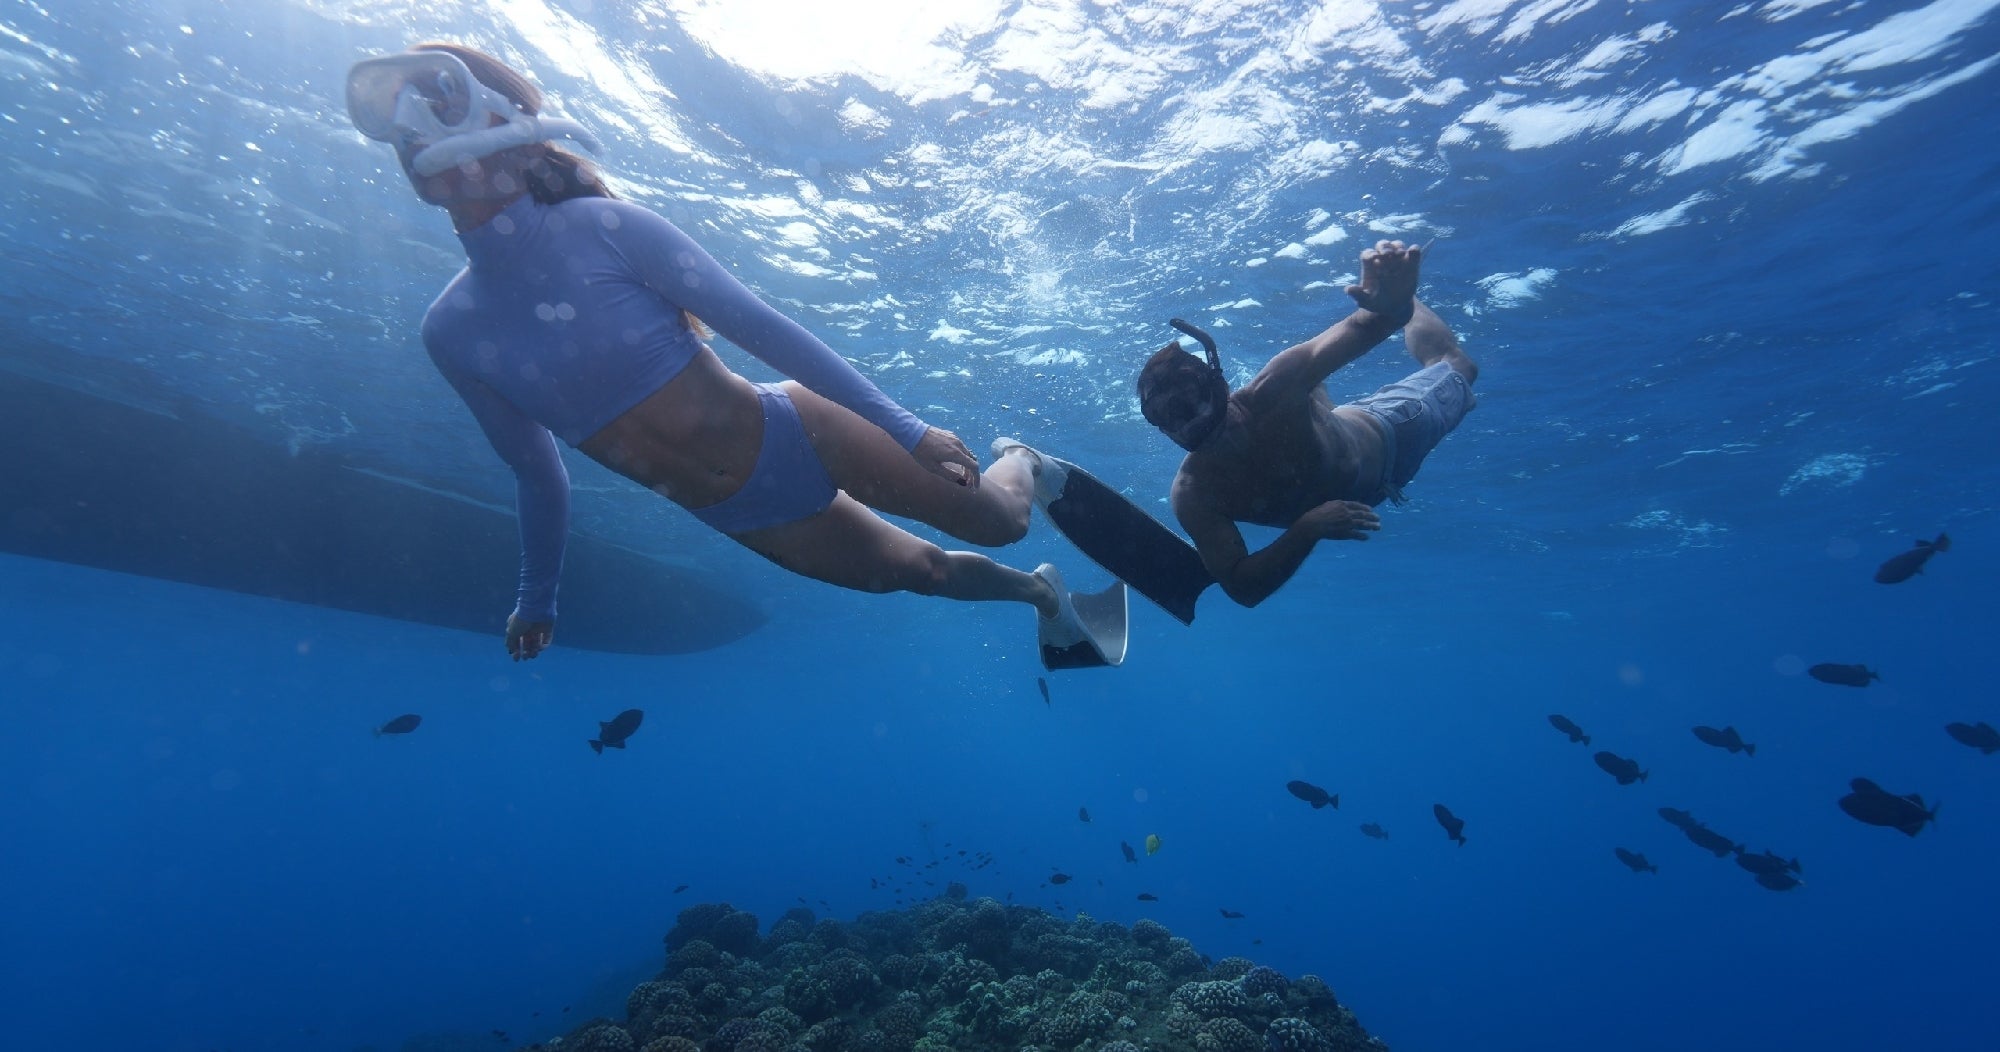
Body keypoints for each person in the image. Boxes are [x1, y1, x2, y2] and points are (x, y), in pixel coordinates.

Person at [344, 43, 1124, 666]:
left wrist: (907, 427)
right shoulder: (451, 332)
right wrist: (537, 597)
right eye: (395, 119)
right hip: (748, 514)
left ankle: (1021, 459)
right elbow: (535, 472)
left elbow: (763, 328)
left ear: (508, 118)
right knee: (923, 575)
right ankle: (1045, 600)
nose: (415, 128)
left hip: (800, 427)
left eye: (438, 97)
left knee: (996, 521)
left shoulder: (606, 229)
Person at [1135, 240, 1476, 607]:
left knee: (1458, 366)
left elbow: (1369, 325)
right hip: (1347, 459)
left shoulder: (1275, 387)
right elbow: (1241, 587)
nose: (1195, 426)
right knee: (1308, 390)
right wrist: (1307, 529)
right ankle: (1317, 395)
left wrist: (1393, 302)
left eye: (1196, 403)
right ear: (1164, 432)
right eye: (1169, 419)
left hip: (1391, 433)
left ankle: (1413, 298)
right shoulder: (1194, 494)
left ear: (1220, 384)